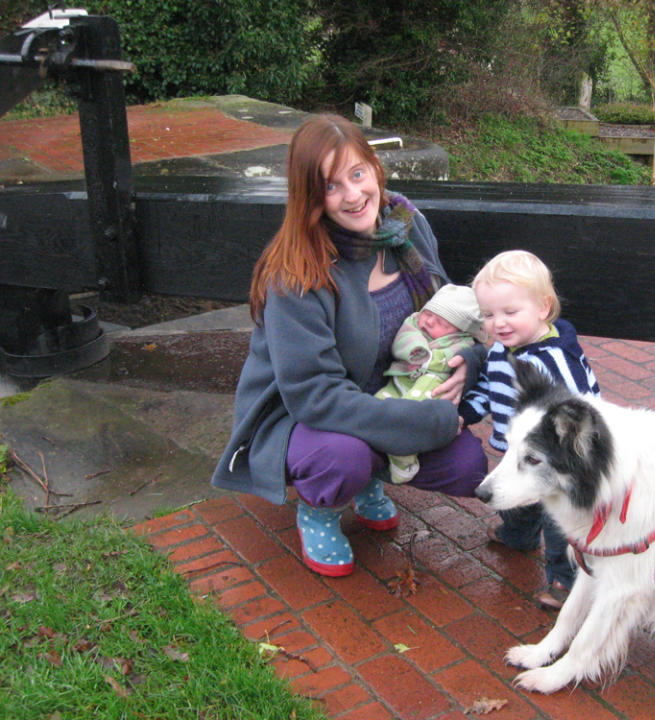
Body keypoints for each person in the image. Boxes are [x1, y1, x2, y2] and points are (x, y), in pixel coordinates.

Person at [211, 114, 488, 578]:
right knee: (344, 459)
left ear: (375, 169)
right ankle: (320, 509)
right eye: (330, 186)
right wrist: (424, 422)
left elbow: (451, 311)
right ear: (310, 197)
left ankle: (372, 478)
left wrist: (471, 360)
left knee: (467, 464)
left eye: (357, 174)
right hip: (306, 416)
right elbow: (315, 396)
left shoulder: (407, 225)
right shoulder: (296, 272)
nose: (353, 195)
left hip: (394, 392)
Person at [460, 250, 601, 609]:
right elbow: (491, 390)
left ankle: (564, 578)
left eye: (510, 312)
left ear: (543, 307)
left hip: (555, 462)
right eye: (489, 314)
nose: (498, 323)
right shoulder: (502, 349)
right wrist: (466, 412)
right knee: (515, 497)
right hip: (518, 452)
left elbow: (581, 409)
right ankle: (518, 536)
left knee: (558, 519)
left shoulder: (551, 359)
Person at [376, 283, 485, 484]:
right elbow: (404, 338)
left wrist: (434, 361)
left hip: (430, 390)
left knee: (413, 412)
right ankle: (389, 440)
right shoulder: (415, 322)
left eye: (442, 323)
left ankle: (403, 456)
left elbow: (451, 360)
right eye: (428, 313)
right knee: (378, 403)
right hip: (399, 382)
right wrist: (417, 351)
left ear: (460, 332)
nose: (429, 322)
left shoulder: (462, 342)